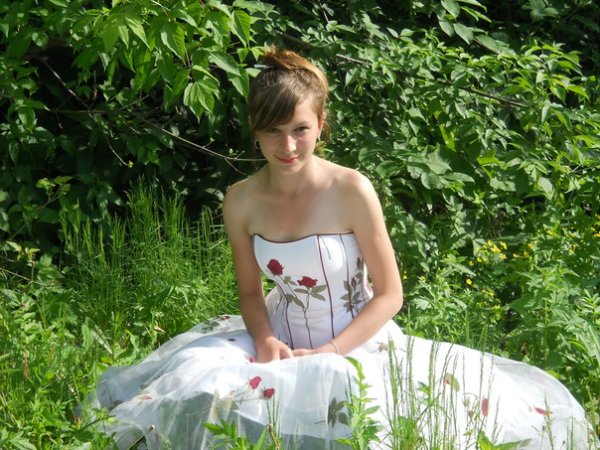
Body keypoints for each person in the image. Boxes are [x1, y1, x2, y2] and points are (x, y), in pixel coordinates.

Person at [88, 49, 598, 450]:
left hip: (356, 340)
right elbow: (249, 292)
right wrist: (265, 341)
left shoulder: (351, 189)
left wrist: (331, 352)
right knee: (198, 392)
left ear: (321, 124)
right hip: (277, 336)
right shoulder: (240, 200)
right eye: (273, 132)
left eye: (300, 130)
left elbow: (390, 294)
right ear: (255, 130)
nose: (287, 146)